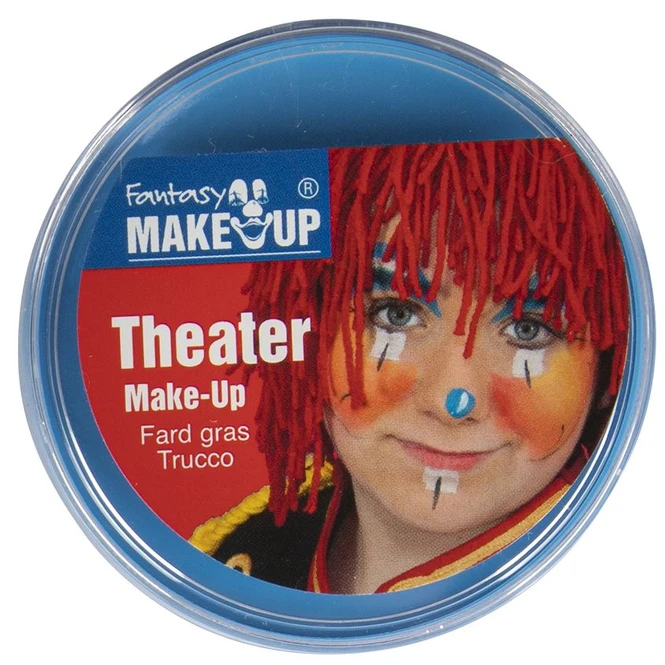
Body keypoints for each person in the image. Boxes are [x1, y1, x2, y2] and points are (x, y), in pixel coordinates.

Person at [189, 139, 629, 594]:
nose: (453, 402)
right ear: (310, 326)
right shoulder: (241, 553)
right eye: (396, 314)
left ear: (609, 369)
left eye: (528, 329)